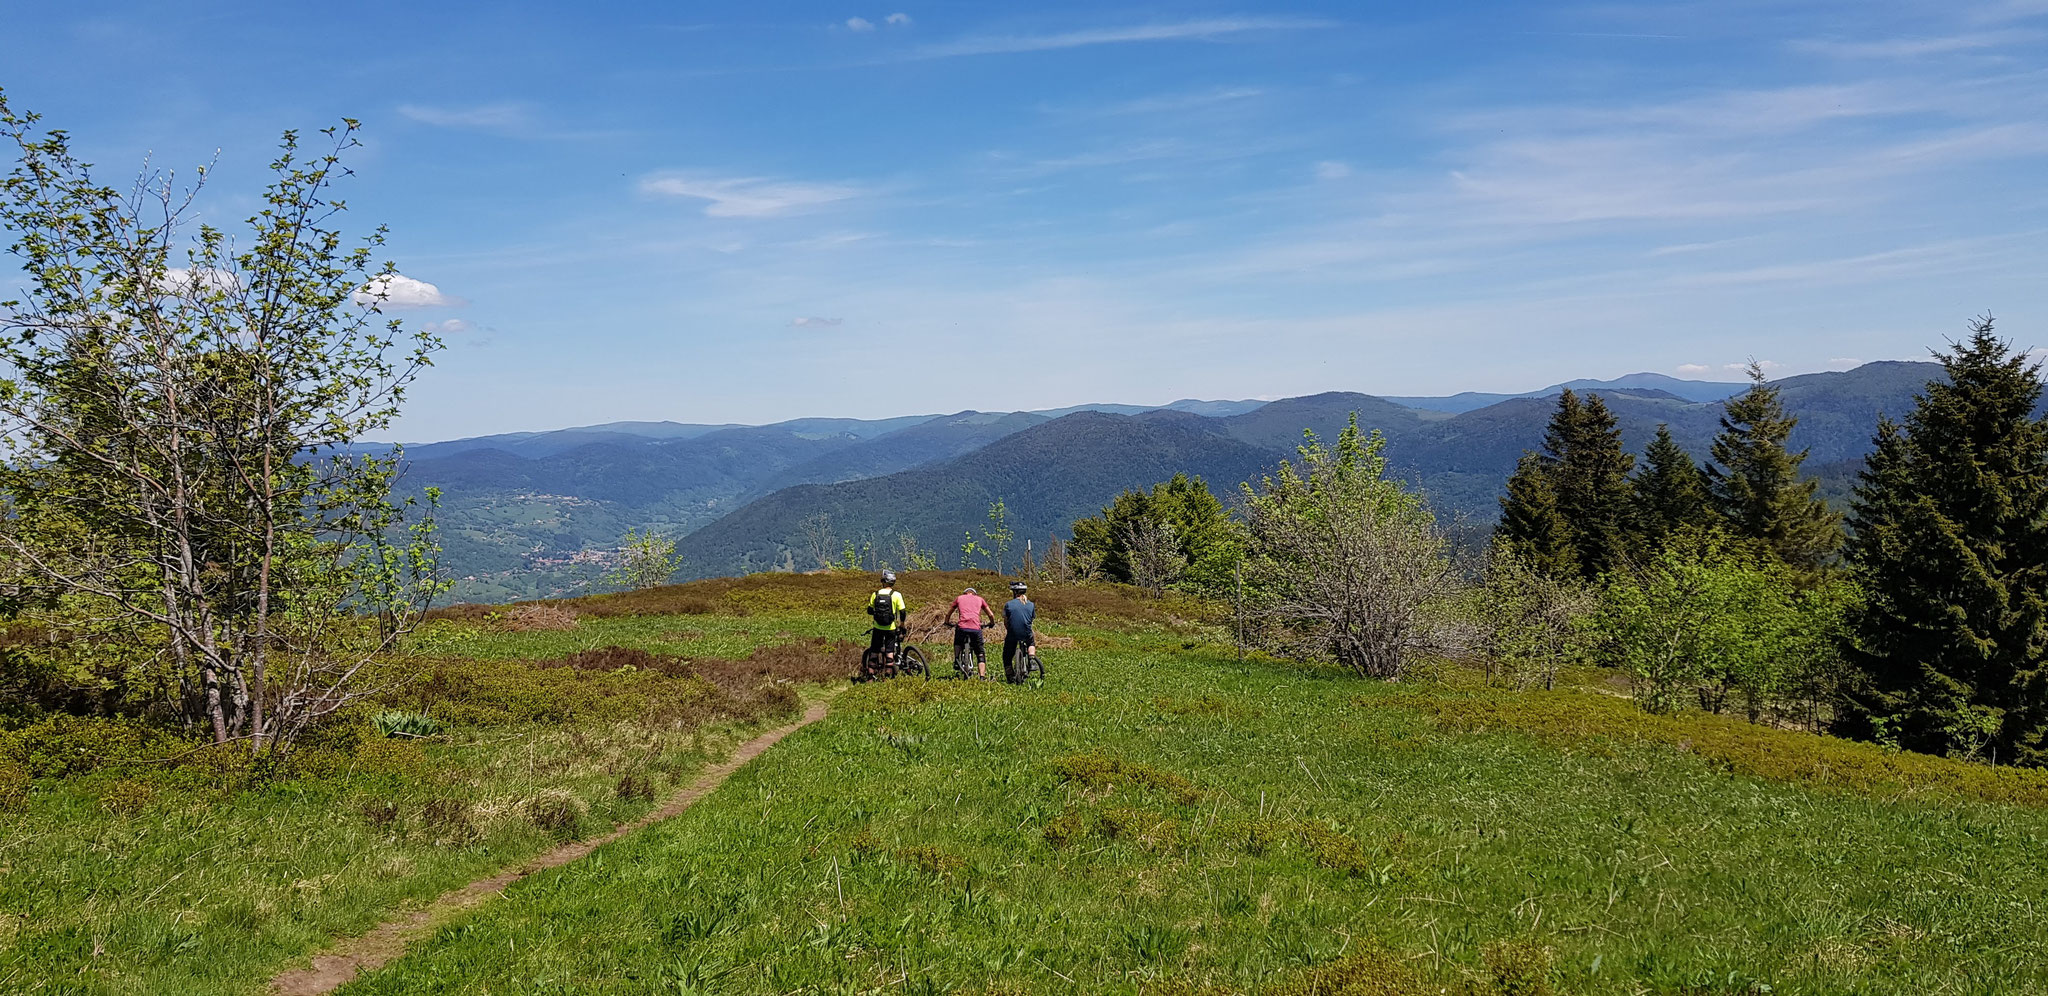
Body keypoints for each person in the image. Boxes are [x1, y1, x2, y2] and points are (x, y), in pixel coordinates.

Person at [943, 585, 997, 679]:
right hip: (976, 628)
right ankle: (982, 677)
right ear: (974, 594)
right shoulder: (980, 599)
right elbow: (991, 615)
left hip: (962, 627)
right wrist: (991, 623)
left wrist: (947, 622)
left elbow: (948, 613)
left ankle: (956, 659)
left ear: (965, 593)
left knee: (958, 642)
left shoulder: (959, 598)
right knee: (980, 651)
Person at [865, 570, 908, 674]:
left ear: (883, 582)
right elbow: (902, 612)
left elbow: (869, 610)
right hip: (891, 628)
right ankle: (888, 675)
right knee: (889, 651)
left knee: (874, 649)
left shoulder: (875, 594)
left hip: (877, 627)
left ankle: (870, 675)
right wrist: (902, 624)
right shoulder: (897, 595)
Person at [1002, 581, 1037, 683]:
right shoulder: (1031, 604)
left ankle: (1009, 674)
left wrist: (1010, 630)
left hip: (1013, 632)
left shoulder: (1008, 604)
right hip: (1026, 632)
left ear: (1014, 592)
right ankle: (1031, 659)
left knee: (1007, 654)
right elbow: (1031, 619)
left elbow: (1006, 622)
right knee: (1031, 642)